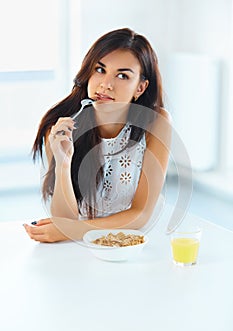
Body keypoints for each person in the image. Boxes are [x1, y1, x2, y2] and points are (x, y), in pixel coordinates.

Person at [23, 27, 171, 243]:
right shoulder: (60, 126)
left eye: (122, 76)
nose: (106, 84)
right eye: (100, 70)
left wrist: (72, 230)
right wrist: (64, 164)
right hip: (79, 245)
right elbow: (64, 220)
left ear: (140, 87)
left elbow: (141, 213)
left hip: (131, 240)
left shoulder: (157, 122)